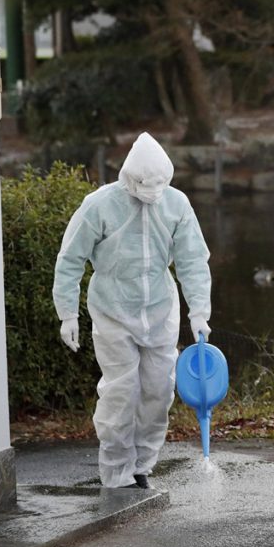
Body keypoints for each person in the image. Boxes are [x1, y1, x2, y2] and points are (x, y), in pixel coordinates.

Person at [53, 132, 212, 490]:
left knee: (159, 390)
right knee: (121, 392)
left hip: (160, 307)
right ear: (129, 177)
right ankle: (116, 471)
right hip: (113, 310)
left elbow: (192, 260)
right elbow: (70, 259)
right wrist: (67, 313)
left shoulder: (176, 204)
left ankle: (142, 463)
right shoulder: (99, 205)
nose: (152, 193)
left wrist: (199, 311)